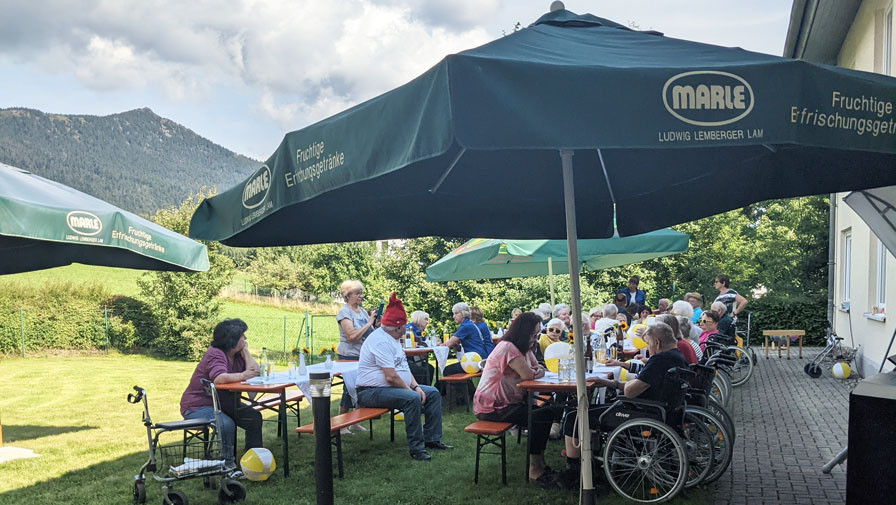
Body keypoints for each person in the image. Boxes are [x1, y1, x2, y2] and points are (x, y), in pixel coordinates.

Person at [562, 322, 687, 484]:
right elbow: (638, 385)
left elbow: (630, 391)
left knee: (575, 415)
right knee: (591, 411)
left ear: (657, 342)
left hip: (642, 413)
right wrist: (609, 383)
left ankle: (574, 472)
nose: (648, 348)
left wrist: (620, 386)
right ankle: (592, 464)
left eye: (648, 343)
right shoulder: (676, 357)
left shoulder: (659, 360)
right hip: (657, 410)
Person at [356, 293, 450, 461]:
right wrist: (411, 392)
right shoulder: (380, 341)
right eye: (404, 327)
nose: (406, 330)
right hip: (371, 392)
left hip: (388, 389)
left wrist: (416, 387)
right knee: (411, 399)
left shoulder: (393, 339)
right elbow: (391, 377)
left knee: (433, 393)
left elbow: (404, 368)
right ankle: (417, 449)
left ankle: (432, 439)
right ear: (398, 328)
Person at [473, 312, 560, 488]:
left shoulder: (524, 349)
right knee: (539, 416)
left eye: (537, 334)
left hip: (508, 403)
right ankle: (534, 469)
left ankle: (540, 463)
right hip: (492, 407)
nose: (535, 338)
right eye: (533, 334)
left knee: (547, 412)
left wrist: (535, 371)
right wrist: (535, 371)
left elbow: (536, 368)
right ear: (523, 332)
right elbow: (529, 374)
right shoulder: (508, 348)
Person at [181, 318, 262, 475]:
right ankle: (228, 466)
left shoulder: (238, 355)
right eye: (242, 336)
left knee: (254, 417)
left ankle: (253, 460)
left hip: (223, 404)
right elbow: (219, 378)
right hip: (198, 406)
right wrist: (244, 374)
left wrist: (246, 353)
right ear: (232, 339)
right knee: (226, 424)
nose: (245, 339)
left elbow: (255, 372)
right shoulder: (215, 354)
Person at [335, 280, 378, 430]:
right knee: (349, 389)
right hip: (349, 356)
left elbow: (370, 333)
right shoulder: (344, 312)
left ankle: (355, 422)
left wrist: (376, 324)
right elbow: (351, 336)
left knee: (361, 388)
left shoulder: (362, 311)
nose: (361, 296)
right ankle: (341, 425)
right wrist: (369, 323)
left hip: (363, 356)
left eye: (361, 293)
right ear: (348, 295)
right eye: (357, 293)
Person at [441, 302, 493, 376]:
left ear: (463, 314)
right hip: (481, 358)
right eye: (453, 313)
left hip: (476, 361)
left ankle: (463, 388)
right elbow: (456, 343)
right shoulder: (469, 324)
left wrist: (441, 344)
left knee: (447, 370)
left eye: (456, 313)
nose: (454, 316)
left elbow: (448, 344)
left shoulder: (465, 326)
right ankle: (467, 387)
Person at [405, 310, 435, 386]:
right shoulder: (409, 328)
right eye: (425, 319)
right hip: (408, 358)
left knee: (430, 368)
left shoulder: (420, 330)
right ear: (419, 319)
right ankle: (421, 390)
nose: (427, 322)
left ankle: (428, 390)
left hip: (417, 358)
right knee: (424, 370)